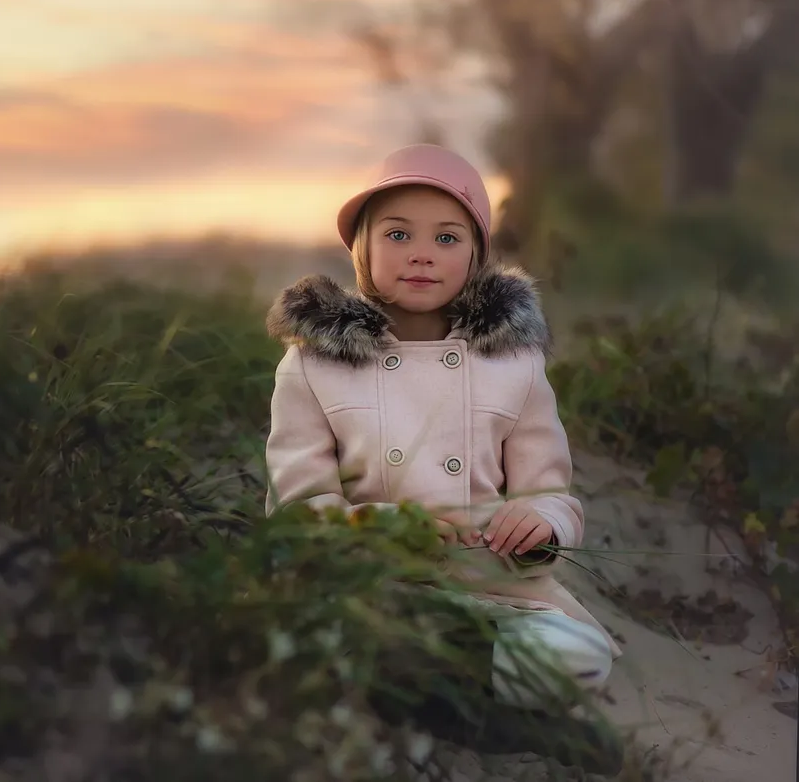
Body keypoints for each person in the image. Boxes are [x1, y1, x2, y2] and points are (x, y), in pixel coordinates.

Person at [262, 143, 623, 769]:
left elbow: (549, 489)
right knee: (327, 638)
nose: (422, 253)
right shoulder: (313, 365)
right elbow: (298, 504)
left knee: (580, 657)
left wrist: (540, 524)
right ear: (363, 248)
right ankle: (490, 721)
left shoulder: (512, 365)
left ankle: (433, 691)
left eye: (448, 238)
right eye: (398, 233)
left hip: (486, 588)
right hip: (368, 583)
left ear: (477, 257)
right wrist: (382, 529)